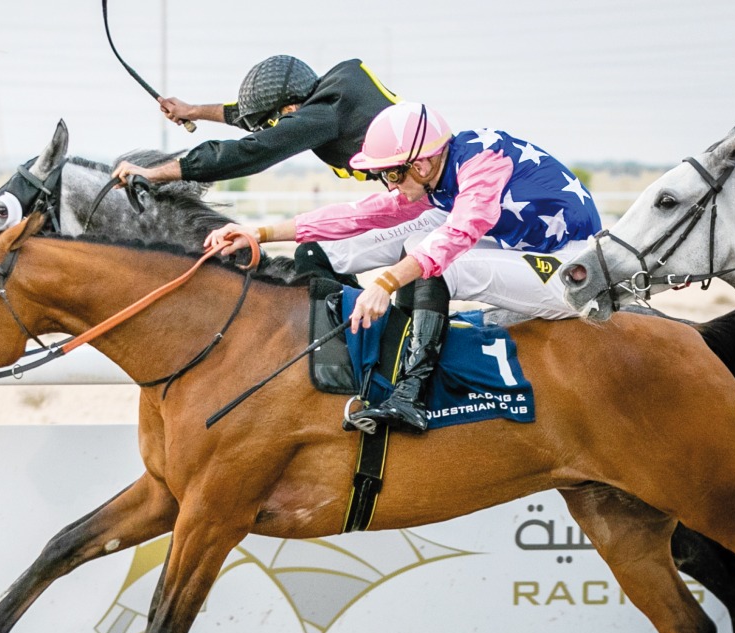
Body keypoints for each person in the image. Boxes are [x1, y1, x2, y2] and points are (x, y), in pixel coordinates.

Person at [205, 102, 602, 433]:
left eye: (393, 174)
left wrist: (386, 282)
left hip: (573, 269)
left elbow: (461, 234)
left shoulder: (480, 163)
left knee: (436, 261)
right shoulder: (440, 169)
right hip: (529, 250)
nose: (390, 185)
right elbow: (361, 214)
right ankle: (390, 368)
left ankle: (411, 394)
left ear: (423, 164)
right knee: (417, 241)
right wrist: (259, 231)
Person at [110, 55, 400, 186]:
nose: (273, 128)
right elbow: (246, 117)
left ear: (289, 109)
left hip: (424, 193)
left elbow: (250, 151)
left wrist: (152, 173)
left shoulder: (319, 118)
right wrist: (193, 110)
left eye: (275, 122)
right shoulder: (334, 89)